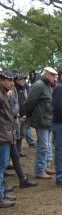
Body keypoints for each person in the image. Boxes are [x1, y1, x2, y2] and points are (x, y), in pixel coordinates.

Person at [24, 66, 57, 179]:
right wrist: (28, 115)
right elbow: (29, 102)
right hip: (41, 120)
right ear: (46, 75)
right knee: (43, 146)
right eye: (52, 75)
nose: (54, 78)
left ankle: (43, 167)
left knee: (47, 146)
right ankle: (39, 170)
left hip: (47, 120)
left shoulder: (48, 87)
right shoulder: (38, 86)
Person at [0, 69, 17, 207]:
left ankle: (2, 193)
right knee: (1, 166)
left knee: (3, 165)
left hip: (5, 134)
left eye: (12, 80)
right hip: (2, 135)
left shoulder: (4, 94)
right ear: (1, 80)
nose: (12, 83)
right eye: (9, 80)